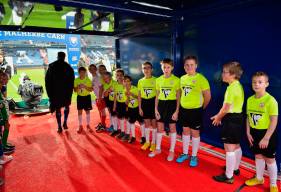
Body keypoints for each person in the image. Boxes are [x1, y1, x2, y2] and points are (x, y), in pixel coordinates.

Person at [245, 72, 279, 192]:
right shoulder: (249, 100)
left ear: (266, 84)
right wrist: (248, 132)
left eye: (260, 82)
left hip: (267, 134)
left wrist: (266, 138)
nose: (256, 84)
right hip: (254, 133)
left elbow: (274, 121)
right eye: (254, 82)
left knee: (269, 159)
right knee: (258, 156)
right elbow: (248, 118)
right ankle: (259, 178)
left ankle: (273, 184)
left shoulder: (271, 100)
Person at [211, 61, 244, 184]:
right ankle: (235, 169)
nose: (222, 74)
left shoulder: (231, 88)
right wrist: (218, 115)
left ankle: (228, 176)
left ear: (233, 74)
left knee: (229, 147)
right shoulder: (237, 85)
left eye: (225, 72)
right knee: (236, 145)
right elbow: (229, 107)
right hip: (238, 117)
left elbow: (226, 108)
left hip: (231, 119)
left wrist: (218, 117)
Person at [176, 56, 211, 167]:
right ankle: (185, 153)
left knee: (195, 133)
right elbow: (181, 94)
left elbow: (208, 96)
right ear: (184, 66)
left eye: (191, 64)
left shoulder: (201, 79)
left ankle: (194, 155)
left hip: (196, 111)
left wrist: (201, 108)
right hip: (184, 110)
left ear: (196, 65)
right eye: (187, 65)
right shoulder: (182, 78)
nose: (189, 67)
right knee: (185, 131)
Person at [148, 58, 180, 161]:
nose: (166, 69)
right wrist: (156, 109)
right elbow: (157, 96)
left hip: (172, 105)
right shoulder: (158, 80)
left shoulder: (176, 80)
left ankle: (171, 150)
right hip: (161, 105)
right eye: (164, 67)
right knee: (160, 128)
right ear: (161, 68)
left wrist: (177, 111)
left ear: (172, 68)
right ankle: (158, 149)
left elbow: (178, 97)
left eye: (168, 67)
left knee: (172, 128)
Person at [45, 52, 75, 133]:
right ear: (64, 57)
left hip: (56, 92)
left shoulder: (52, 66)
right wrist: (70, 91)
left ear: (57, 57)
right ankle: (65, 122)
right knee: (67, 106)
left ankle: (59, 127)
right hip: (66, 92)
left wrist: (49, 94)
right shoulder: (69, 67)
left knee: (58, 109)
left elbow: (47, 81)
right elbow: (72, 81)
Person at [138, 62, 157, 151]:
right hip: (144, 103)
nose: (146, 70)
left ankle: (153, 143)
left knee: (154, 124)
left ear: (151, 69)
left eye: (148, 68)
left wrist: (157, 108)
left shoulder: (156, 80)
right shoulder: (140, 81)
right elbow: (139, 95)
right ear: (142, 70)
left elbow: (158, 95)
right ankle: (147, 142)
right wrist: (140, 108)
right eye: (144, 68)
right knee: (146, 124)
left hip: (153, 103)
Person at [123, 75, 143, 143]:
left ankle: (143, 137)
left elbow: (139, 98)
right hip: (131, 109)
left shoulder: (135, 89)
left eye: (128, 81)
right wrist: (128, 97)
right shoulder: (124, 90)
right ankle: (133, 137)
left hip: (137, 108)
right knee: (131, 122)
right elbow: (126, 103)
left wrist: (131, 94)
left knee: (141, 123)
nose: (126, 83)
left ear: (131, 82)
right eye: (125, 81)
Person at [74, 67, 93, 133]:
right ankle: (80, 125)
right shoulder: (76, 80)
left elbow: (91, 89)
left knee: (87, 111)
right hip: (80, 97)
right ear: (78, 73)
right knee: (80, 111)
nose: (82, 74)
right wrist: (78, 87)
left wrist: (85, 86)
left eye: (83, 72)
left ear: (85, 73)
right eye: (81, 73)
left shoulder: (88, 80)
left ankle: (88, 125)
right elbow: (75, 90)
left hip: (87, 97)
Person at [88, 64, 106, 132]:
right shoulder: (93, 77)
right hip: (98, 97)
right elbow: (93, 88)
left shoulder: (98, 77)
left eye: (93, 69)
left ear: (96, 69)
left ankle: (103, 126)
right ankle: (102, 123)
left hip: (101, 97)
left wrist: (100, 98)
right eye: (90, 69)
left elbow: (101, 87)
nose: (92, 70)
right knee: (100, 111)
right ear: (89, 70)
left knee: (103, 112)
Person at [113, 69, 127, 139]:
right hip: (119, 104)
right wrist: (114, 105)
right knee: (121, 118)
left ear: (123, 76)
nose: (119, 77)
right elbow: (115, 95)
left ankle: (127, 134)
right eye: (117, 75)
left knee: (127, 119)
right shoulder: (115, 85)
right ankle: (122, 132)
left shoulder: (125, 84)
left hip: (126, 104)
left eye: (121, 75)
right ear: (115, 76)